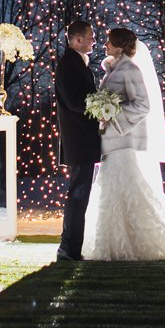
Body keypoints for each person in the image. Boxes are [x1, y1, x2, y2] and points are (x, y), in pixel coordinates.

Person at [82, 27, 165, 261]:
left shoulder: (130, 69)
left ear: (120, 46)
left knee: (132, 193)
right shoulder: (111, 72)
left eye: (109, 42)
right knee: (113, 195)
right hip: (108, 144)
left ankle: (157, 238)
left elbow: (143, 105)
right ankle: (111, 243)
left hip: (122, 142)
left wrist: (112, 113)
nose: (105, 45)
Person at [54, 19, 100, 261]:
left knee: (80, 196)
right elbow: (74, 101)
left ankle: (70, 248)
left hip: (83, 141)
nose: (95, 39)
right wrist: (100, 107)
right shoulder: (68, 65)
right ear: (77, 39)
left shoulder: (78, 63)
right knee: (78, 196)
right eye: (91, 36)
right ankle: (68, 249)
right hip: (79, 141)